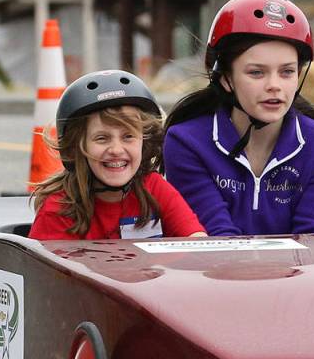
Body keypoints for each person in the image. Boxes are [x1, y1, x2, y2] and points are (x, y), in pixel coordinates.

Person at [162, 0, 314, 236]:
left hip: (298, 273)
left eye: (287, 72)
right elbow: (217, 237)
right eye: (257, 73)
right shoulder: (185, 142)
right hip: (214, 271)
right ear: (226, 78)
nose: (274, 85)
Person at [28, 70, 206, 240]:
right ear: (76, 147)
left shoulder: (154, 188)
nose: (116, 149)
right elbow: (48, 272)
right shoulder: (59, 208)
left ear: (145, 141)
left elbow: (197, 243)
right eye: (102, 138)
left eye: (128, 136)